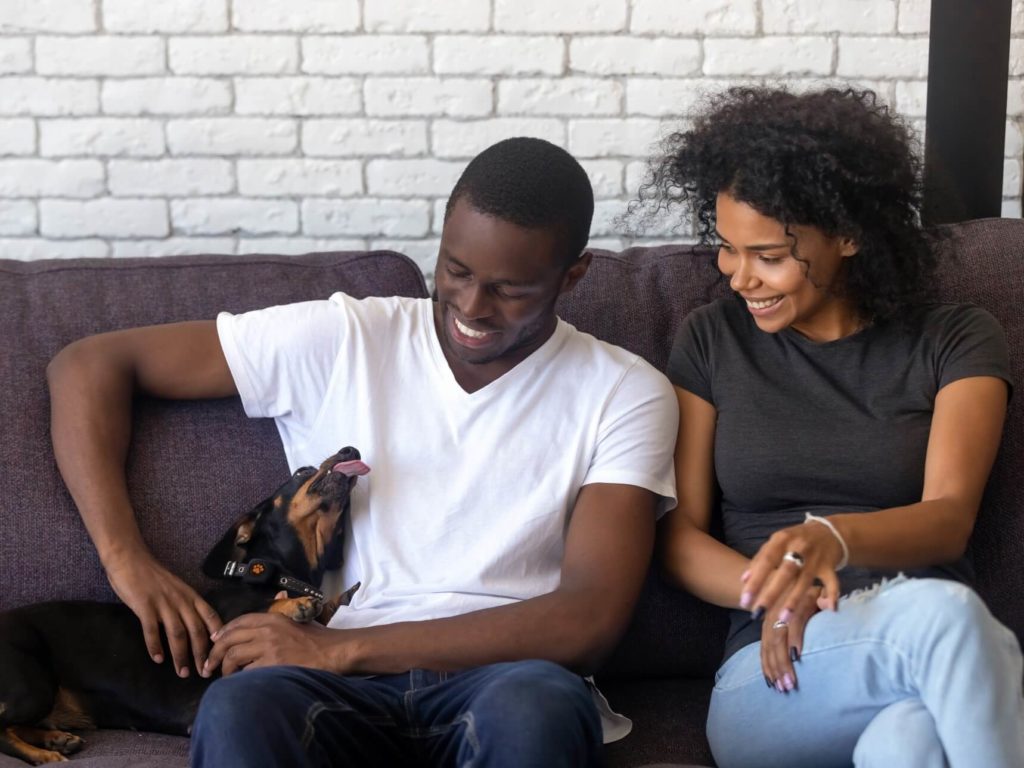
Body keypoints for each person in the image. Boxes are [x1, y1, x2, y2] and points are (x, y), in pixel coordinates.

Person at [46, 137, 678, 767]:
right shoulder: (349, 336)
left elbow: (589, 619)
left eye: (510, 290)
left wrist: (338, 649)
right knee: (239, 708)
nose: (471, 308)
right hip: (324, 686)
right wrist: (124, 557)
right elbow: (89, 366)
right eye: (456, 270)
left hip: (504, 679)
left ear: (573, 275)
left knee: (539, 707)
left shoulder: (622, 391)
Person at [647, 87, 1024, 768]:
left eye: (768, 255)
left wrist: (831, 538)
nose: (739, 278)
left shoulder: (957, 340)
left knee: (912, 741)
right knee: (959, 624)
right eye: (729, 249)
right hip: (779, 669)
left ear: (848, 235)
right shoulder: (712, 340)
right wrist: (777, 596)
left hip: (921, 635)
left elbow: (948, 518)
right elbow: (677, 540)